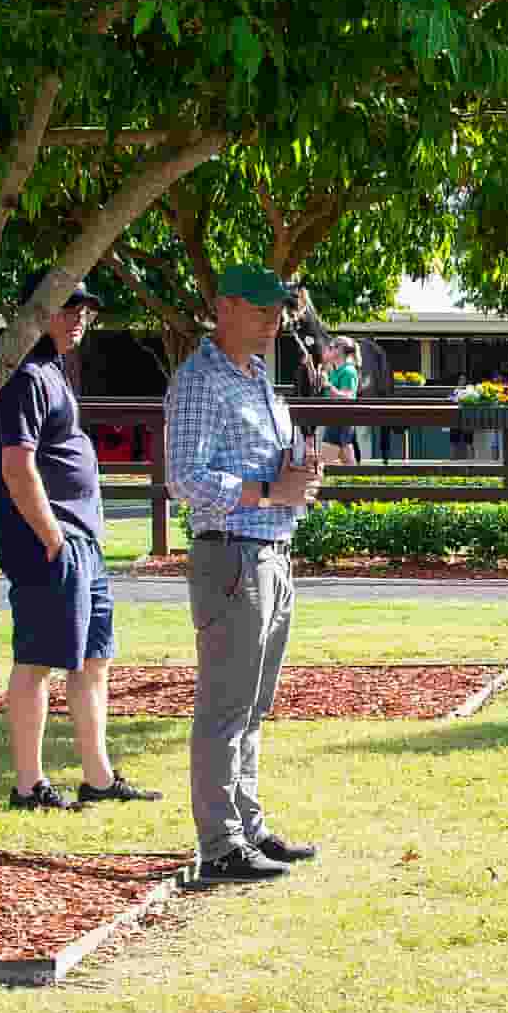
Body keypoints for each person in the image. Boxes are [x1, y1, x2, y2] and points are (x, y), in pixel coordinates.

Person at [165, 262, 326, 884]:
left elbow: (264, 468)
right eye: (261, 310)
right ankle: (220, 844)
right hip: (233, 554)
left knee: (253, 706)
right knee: (226, 707)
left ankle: (247, 827)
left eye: (278, 311)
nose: (273, 322)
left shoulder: (257, 378)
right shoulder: (201, 380)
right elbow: (185, 478)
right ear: (224, 307)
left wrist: (297, 474)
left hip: (269, 552)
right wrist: (266, 491)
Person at [0, 272, 158, 812]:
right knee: (38, 660)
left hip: (80, 539)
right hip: (48, 541)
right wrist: (52, 536)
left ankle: (98, 778)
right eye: (68, 306)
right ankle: (28, 785)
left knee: (93, 659)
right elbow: (17, 466)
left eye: (85, 308)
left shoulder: (53, 369)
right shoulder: (25, 376)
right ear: (37, 311)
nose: (80, 316)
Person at [322, 336, 367, 464]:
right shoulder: (335, 371)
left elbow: (348, 397)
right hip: (335, 419)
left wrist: (328, 385)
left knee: (324, 462)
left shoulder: (348, 371)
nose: (329, 350)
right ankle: (356, 477)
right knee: (347, 461)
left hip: (340, 420)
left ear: (340, 350)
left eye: (332, 347)